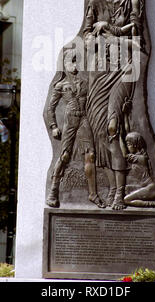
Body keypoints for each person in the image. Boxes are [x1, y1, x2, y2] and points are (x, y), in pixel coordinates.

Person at [83, 0, 144, 210]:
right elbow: (85, 38)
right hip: (99, 72)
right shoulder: (95, 2)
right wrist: (99, 33)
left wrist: (107, 30)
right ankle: (111, 190)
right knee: (100, 134)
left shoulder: (133, 2)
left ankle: (120, 194)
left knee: (112, 127)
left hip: (125, 71)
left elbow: (138, 40)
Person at [46, 48, 105, 209]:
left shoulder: (84, 82)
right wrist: (53, 126)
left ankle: (93, 194)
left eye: (76, 61)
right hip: (70, 119)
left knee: (90, 155)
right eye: (72, 61)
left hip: (84, 118)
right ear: (64, 64)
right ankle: (53, 190)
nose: (75, 65)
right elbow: (50, 109)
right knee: (65, 155)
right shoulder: (60, 85)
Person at [124, 131, 155, 208]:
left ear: (135, 145)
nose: (127, 147)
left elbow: (124, 155)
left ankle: (154, 204)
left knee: (126, 200)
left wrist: (117, 136)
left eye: (129, 144)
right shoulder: (137, 157)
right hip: (144, 187)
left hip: (150, 189)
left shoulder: (140, 158)